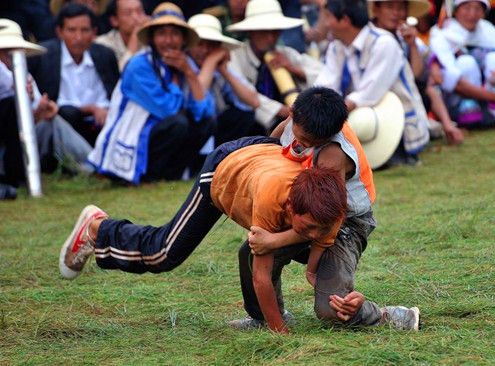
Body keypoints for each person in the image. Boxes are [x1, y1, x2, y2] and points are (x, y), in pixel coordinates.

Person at [59, 136, 348, 334]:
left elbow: (317, 237)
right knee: (164, 254)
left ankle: (262, 316)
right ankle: (97, 228)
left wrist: (312, 267)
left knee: (278, 243)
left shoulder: (330, 208)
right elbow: (261, 274)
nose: (312, 234)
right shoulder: (272, 197)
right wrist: (280, 334)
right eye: (306, 226)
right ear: (288, 206)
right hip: (226, 168)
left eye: (317, 229)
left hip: (263, 157)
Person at [230, 87, 421, 331]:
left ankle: (384, 315)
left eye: (312, 143)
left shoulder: (332, 154)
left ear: (332, 132)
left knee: (332, 310)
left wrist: (274, 241)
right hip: (307, 212)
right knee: (250, 253)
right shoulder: (297, 120)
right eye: (302, 136)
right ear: (292, 114)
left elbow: (326, 222)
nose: (303, 144)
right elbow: (273, 146)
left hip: (344, 224)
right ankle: (264, 317)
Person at [87, 2, 216, 184]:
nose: (169, 41)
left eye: (175, 34)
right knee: (178, 123)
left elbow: (204, 111)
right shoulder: (139, 65)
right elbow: (167, 110)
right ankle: (149, 175)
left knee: (207, 123)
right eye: (162, 34)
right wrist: (177, 81)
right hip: (136, 135)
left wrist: (189, 74)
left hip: (161, 132)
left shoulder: (185, 63)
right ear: (152, 38)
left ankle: (170, 175)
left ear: (183, 39)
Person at [316, 0, 430, 166]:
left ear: (345, 20)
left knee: (361, 120)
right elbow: (326, 85)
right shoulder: (336, 46)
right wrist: (317, 108)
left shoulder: (384, 42)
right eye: (390, 7)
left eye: (329, 17)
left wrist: (326, 118)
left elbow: (368, 93)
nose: (326, 24)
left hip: (394, 121)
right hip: (356, 114)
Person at [0, 19, 92, 199]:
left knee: (53, 121)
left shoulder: (24, 74)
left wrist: (40, 112)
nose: (7, 57)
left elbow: (27, 125)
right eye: (4, 52)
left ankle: (93, 166)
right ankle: (94, 165)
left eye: (11, 52)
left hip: (19, 147)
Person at [369, 0, 464, 145]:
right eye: (390, 7)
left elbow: (416, 78)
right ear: (376, 9)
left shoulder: (404, 39)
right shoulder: (369, 39)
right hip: (376, 102)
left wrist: (412, 45)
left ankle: (444, 125)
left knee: (425, 91)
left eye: (400, 8)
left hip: (403, 100)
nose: (396, 13)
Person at [429, 0, 495, 130]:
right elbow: (451, 78)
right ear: (456, 10)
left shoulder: (486, 29)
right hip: (458, 101)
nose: (472, 14)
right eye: (467, 8)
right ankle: (466, 120)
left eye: (477, 9)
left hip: (491, 98)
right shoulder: (441, 32)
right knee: (466, 63)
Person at [27, 3, 120, 145]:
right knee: (69, 114)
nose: (79, 37)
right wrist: (91, 109)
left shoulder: (105, 55)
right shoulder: (42, 55)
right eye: (71, 30)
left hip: (104, 125)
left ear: (94, 32)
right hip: (63, 126)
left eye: (85, 30)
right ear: (59, 32)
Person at [226, 0, 323, 132]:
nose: (271, 37)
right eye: (264, 31)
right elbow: (247, 96)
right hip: (249, 128)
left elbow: (324, 75)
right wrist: (285, 111)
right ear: (250, 32)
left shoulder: (286, 53)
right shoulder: (235, 57)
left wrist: (294, 69)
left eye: (275, 31)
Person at [187, 13, 263, 148]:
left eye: (211, 45)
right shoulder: (184, 64)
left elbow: (253, 102)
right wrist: (210, 61)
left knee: (245, 117)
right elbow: (197, 101)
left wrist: (225, 71)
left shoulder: (217, 67)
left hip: (211, 133)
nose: (204, 50)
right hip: (188, 132)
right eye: (199, 44)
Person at [94, 0, 149, 71]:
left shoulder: (150, 40)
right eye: (128, 13)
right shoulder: (102, 44)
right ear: (114, 20)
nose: (136, 18)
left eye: (139, 11)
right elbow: (121, 75)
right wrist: (135, 36)